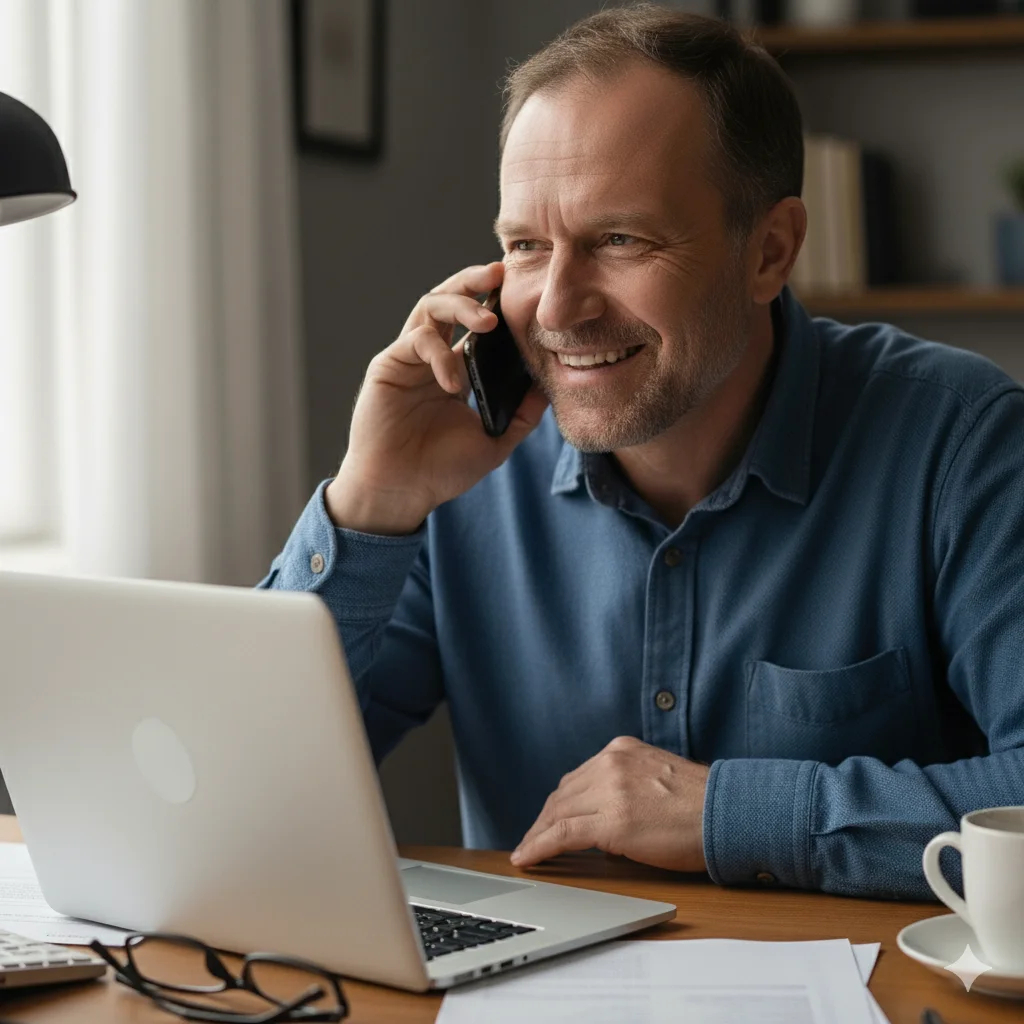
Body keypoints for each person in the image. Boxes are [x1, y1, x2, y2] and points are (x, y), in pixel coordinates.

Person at [261, 6, 1024, 900]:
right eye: (526, 247)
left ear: (769, 251)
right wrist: (370, 504)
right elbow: (245, 791)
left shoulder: (960, 440)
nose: (555, 310)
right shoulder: (456, 460)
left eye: (620, 239)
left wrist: (730, 812)